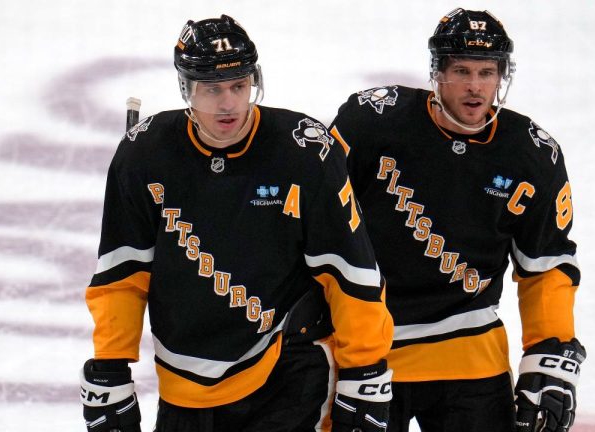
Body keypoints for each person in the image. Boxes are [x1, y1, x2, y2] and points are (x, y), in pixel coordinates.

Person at [79, 15, 394, 432]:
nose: (228, 103)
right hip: (184, 377)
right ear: (186, 88)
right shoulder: (144, 155)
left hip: (289, 366)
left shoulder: (306, 150)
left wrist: (363, 370)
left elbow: (349, 269)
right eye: (211, 89)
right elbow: (124, 272)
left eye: (238, 85)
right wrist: (111, 366)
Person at [328, 8, 586, 432]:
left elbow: (545, 265)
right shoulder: (371, 125)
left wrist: (550, 351)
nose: (474, 86)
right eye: (461, 70)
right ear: (437, 73)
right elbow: (321, 232)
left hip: (469, 354)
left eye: (487, 72)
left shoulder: (532, 155)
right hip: (369, 353)